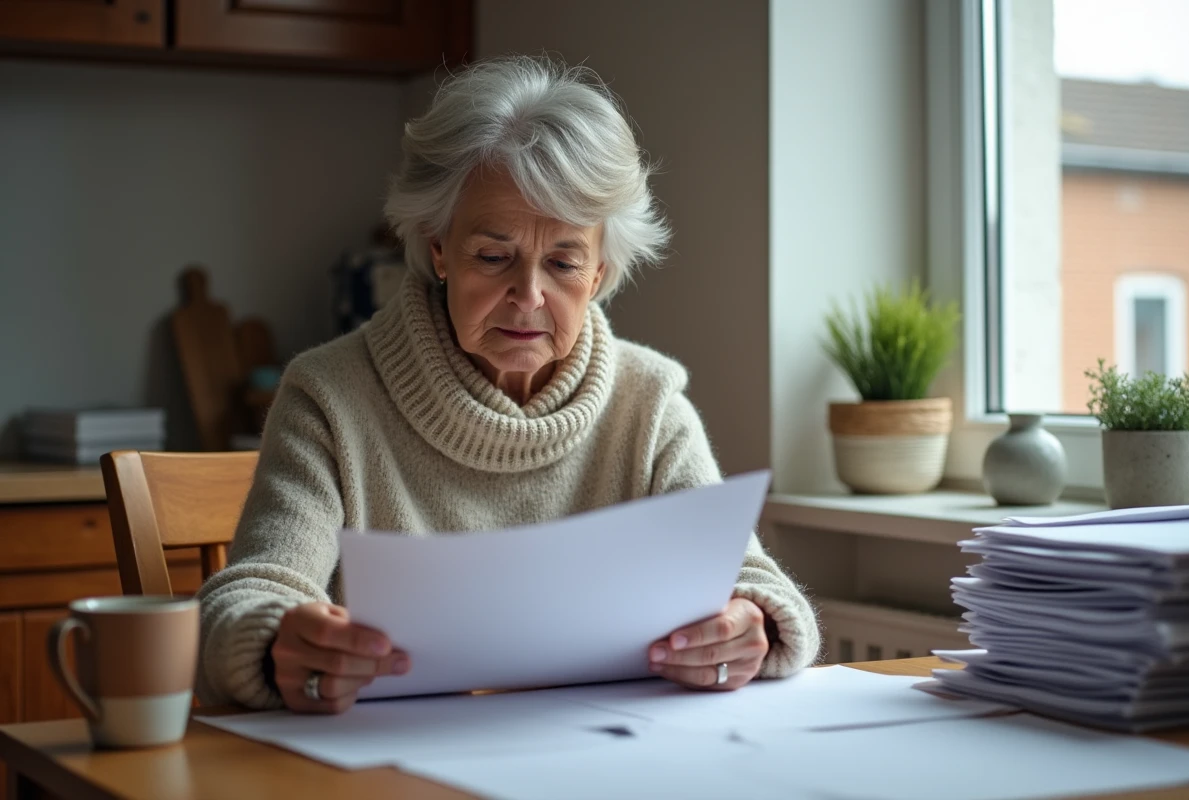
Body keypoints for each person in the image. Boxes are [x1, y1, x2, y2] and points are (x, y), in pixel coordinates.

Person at [196, 56, 820, 713]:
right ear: (438, 247)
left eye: (563, 261)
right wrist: (275, 643)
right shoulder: (329, 396)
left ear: (602, 268)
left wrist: (751, 625)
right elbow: (253, 595)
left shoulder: (649, 403)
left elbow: (747, 582)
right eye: (493, 257)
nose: (528, 296)